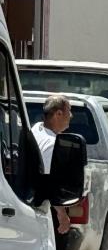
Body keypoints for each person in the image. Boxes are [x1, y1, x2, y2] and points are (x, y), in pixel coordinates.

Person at [31, 94, 72, 239]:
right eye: (69, 111)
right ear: (58, 114)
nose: (71, 116)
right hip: (40, 210)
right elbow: (49, 183)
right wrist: (62, 214)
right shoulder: (51, 144)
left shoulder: (37, 128)